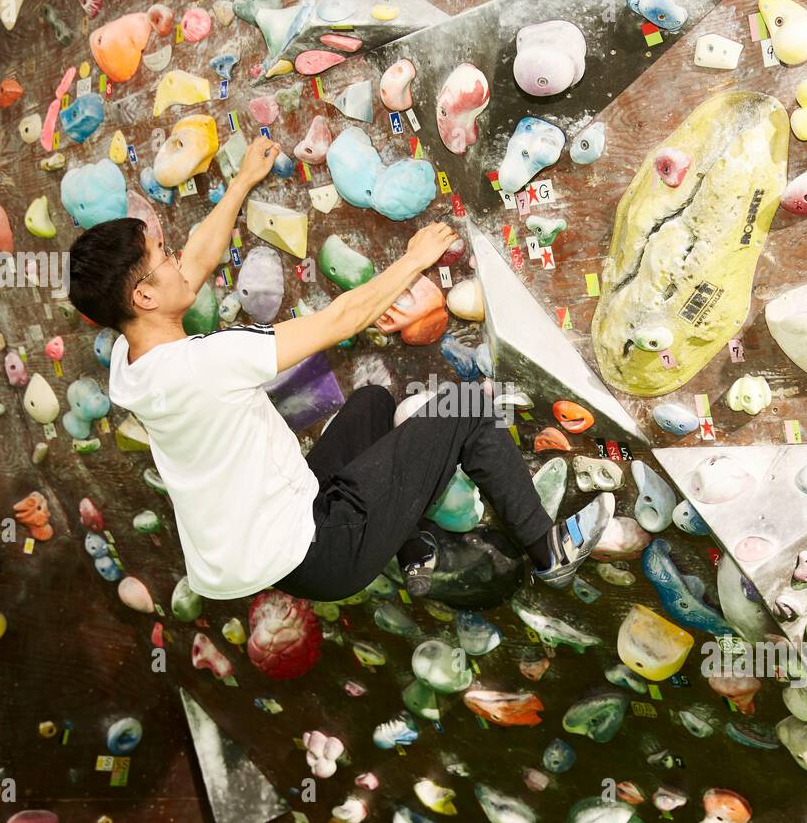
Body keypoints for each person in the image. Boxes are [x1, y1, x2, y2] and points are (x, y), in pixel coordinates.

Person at [67, 135, 613, 603]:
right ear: (142, 295)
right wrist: (415, 259)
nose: (177, 258)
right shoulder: (207, 361)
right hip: (319, 548)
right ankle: (549, 552)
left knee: (372, 407)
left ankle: (412, 546)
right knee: (466, 409)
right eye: (163, 256)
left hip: (271, 548)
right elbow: (338, 319)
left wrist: (241, 184)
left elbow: (198, 262)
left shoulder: (129, 360)